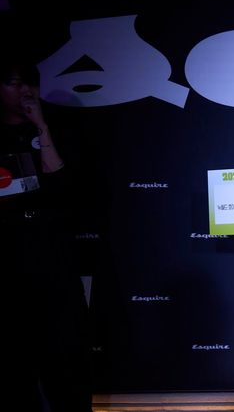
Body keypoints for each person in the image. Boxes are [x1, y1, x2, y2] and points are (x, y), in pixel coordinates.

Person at [0, 53, 93, 411]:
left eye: (30, 83)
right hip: (9, 251)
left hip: (51, 249)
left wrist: (41, 126)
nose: (25, 91)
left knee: (66, 350)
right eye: (14, 83)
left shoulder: (57, 128)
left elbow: (66, 188)